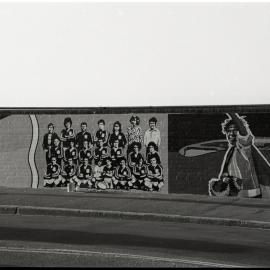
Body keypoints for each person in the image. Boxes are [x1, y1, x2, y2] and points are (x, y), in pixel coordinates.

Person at [208, 113, 270, 198]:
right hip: (236, 195)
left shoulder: (244, 146)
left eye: (234, 130)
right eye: (229, 131)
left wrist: (231, 112)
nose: (231, 133)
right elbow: (226, 173)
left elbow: (242, 130)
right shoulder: (231, 151)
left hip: (250, 194)